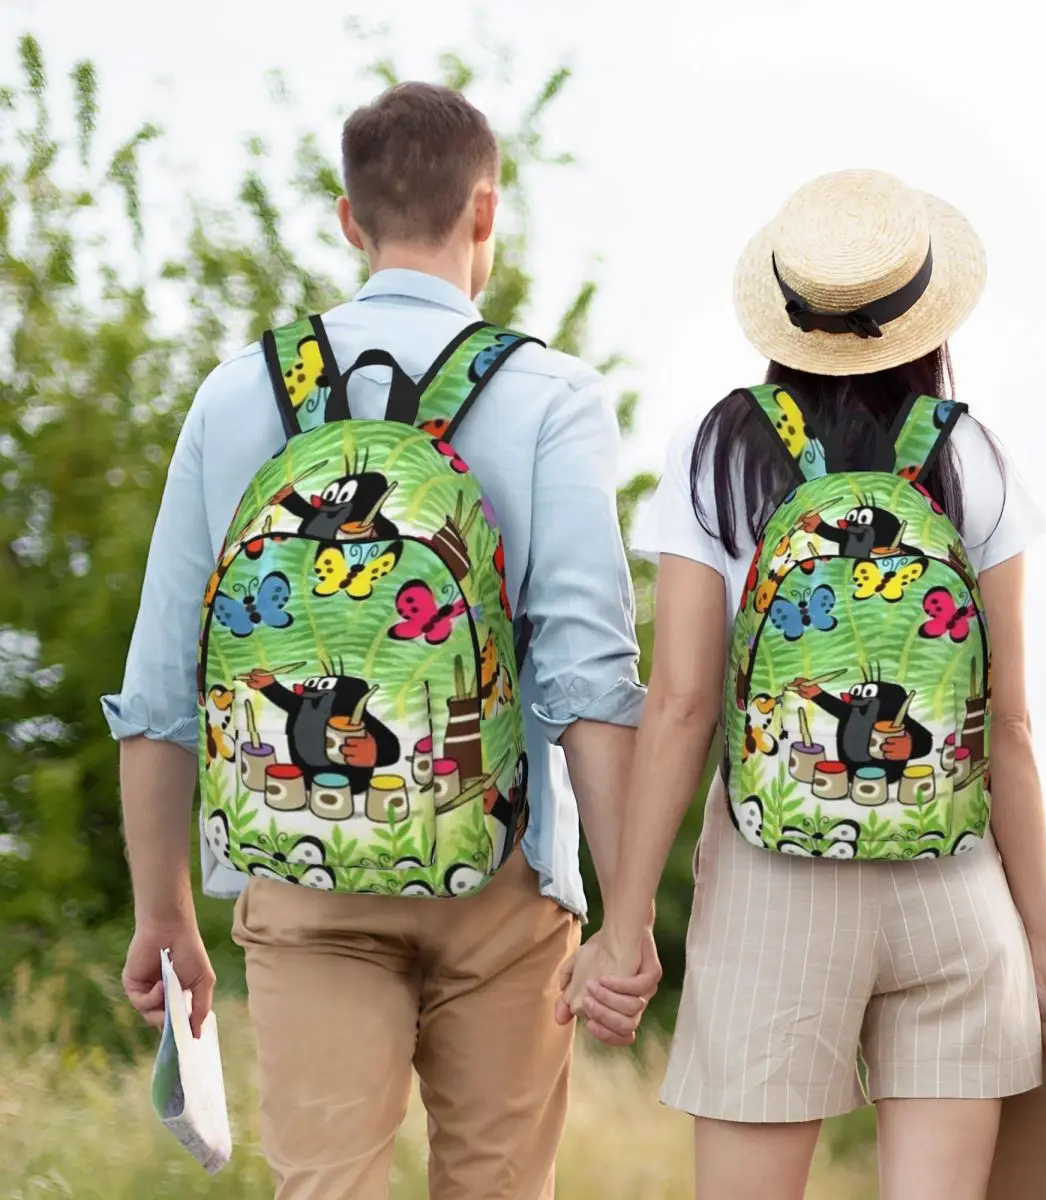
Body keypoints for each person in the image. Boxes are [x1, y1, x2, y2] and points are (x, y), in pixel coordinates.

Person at [105, 81, 659, 1200]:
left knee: (326, 1186)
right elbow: (590, 679)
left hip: (301, 870)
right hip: (503, 874)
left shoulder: (236, 396)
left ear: (349, 220)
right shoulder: (551, 396)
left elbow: (162, 682)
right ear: (486, 213)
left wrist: (163, 914)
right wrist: (627, 915)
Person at [560, 169, 1046, 1200]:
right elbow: (1009, 725)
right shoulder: (973, 456)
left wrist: (624, 928)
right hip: (955, 885)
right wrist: (1043, 943)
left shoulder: (718, 451)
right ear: (925, 316)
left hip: (774, 882)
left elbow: (681, 705)